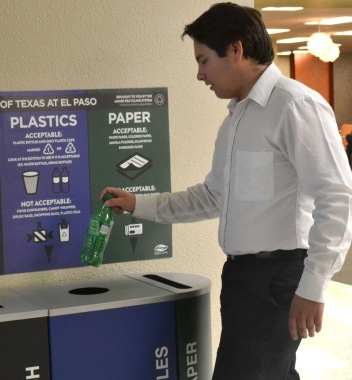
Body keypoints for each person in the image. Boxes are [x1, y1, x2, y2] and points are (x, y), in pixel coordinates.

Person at [100, 3, 352, 379]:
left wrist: (314, 286)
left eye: (203, 61)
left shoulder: (295, 105)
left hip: (278, 276)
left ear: (235, 50)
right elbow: (213, 196)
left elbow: (337, 196)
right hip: (242, 278)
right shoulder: (238, 118)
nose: (200, 75)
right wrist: (139, 204)